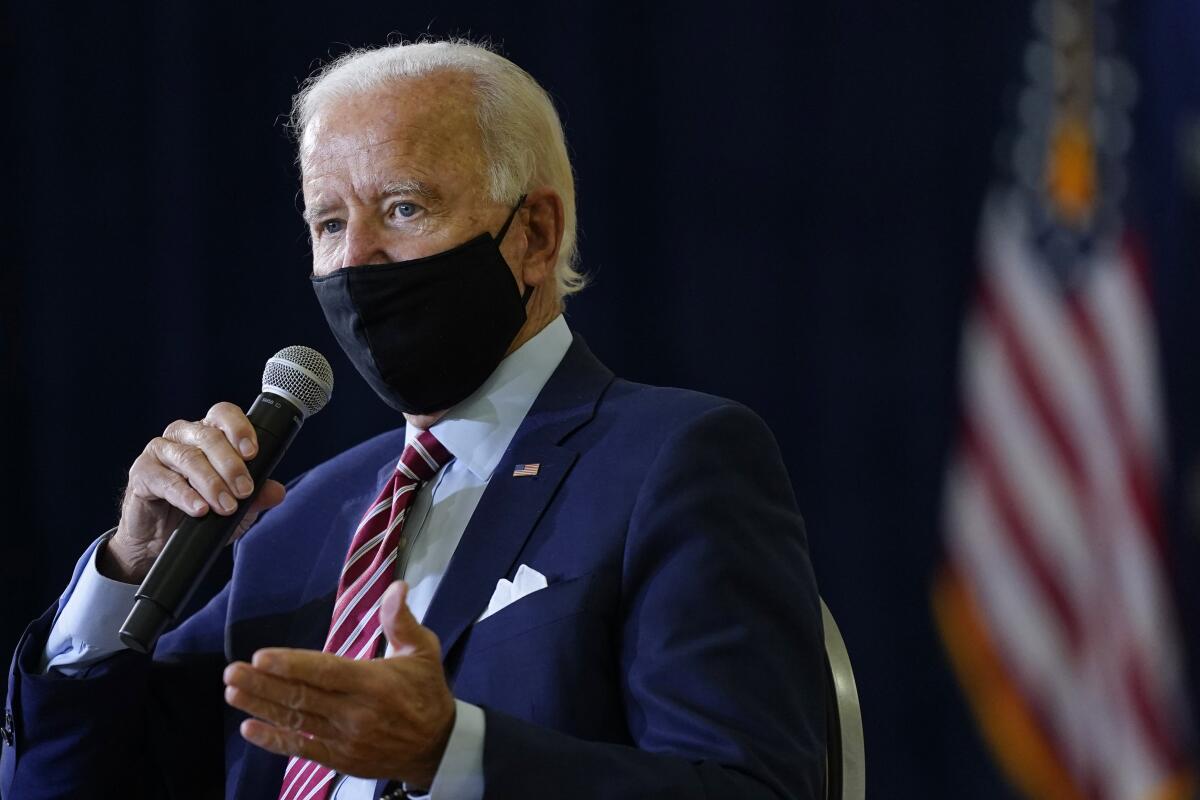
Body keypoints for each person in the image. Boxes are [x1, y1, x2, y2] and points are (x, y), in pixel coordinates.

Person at [1, 40, 825, 799]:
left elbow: (753, 788)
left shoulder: (673, 461)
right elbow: (63, 787)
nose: (356, 259)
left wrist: (451, 753)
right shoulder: (299, 523)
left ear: (534, 236)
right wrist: (124, 571)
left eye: (402, 208)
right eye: (329, 223)